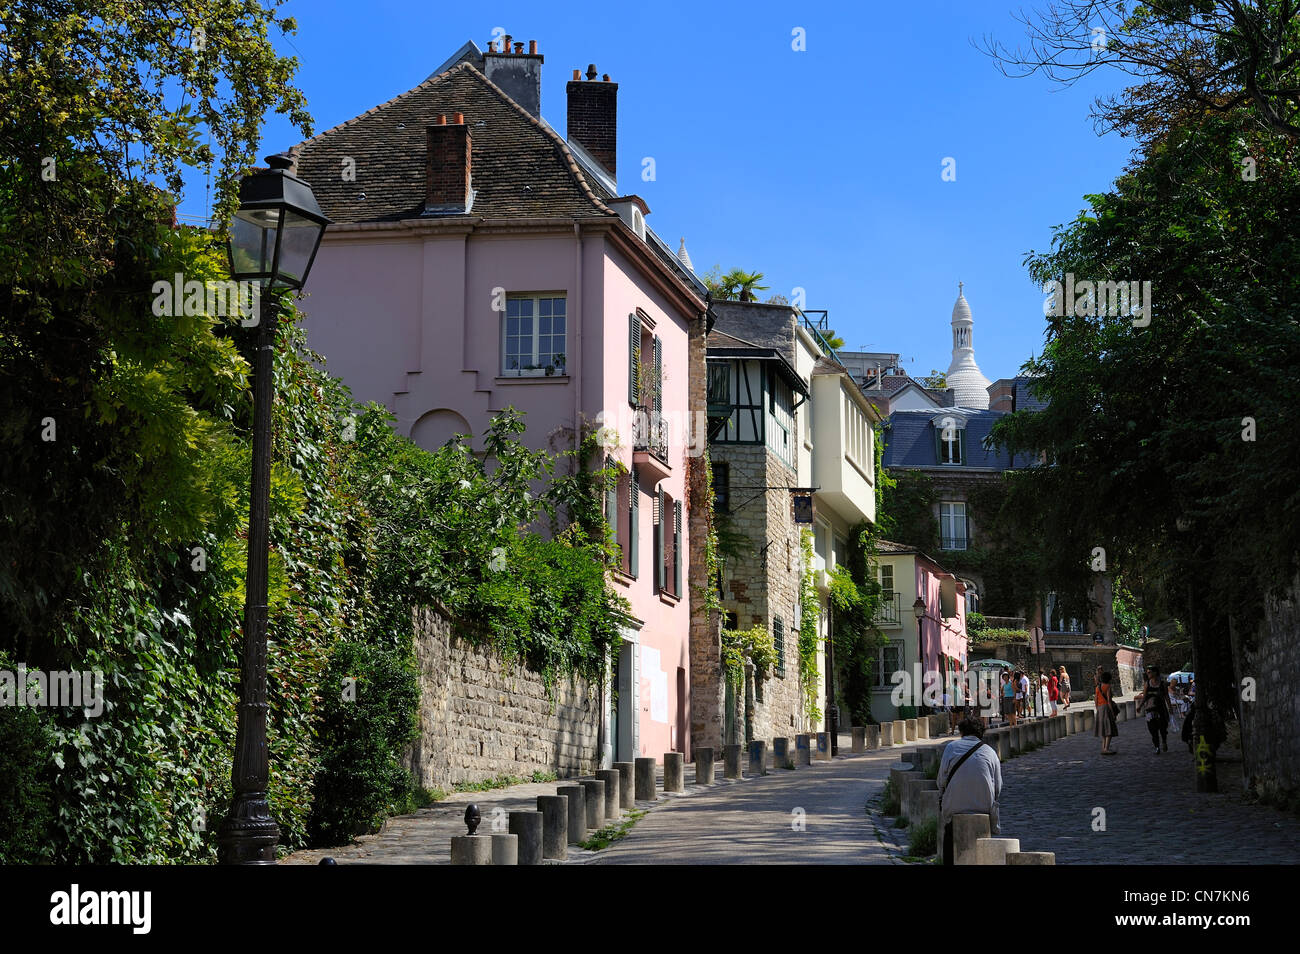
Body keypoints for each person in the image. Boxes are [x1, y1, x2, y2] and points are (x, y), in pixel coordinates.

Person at [937, 715, 1002, 865]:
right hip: (983, 810)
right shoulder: (990, 752)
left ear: (962, 732)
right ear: (981, 733)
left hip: (954, 809)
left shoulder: (951, 748)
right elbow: (998, 787)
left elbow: (941, 781)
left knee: (949, 841)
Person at [1137, 665, 1171, 754]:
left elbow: (1166, 696)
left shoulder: (1163, 683)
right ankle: (1157, 746)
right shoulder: (1147, 684)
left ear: (1155, 672)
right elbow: (1144, 697)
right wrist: (1140, 706)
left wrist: (1170, 707)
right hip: (1150, 709)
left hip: (1161, 709)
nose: (1147, 674)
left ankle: (1164, 741)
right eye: (1147, 672)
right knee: (1152, 729)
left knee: (1163, 728)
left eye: (1149, 672)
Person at [1095, 670, 1118, 754]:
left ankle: (1103, 748)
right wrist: (1112, 712)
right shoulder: (1108, 686)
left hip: (1100, 708)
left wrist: (1097, 708)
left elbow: (1096, 700)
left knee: (1103, 730)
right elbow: (1109, 700)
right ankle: (1106, 748)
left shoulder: (1097, 687)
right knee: (1109, 730)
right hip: (1106, 708)